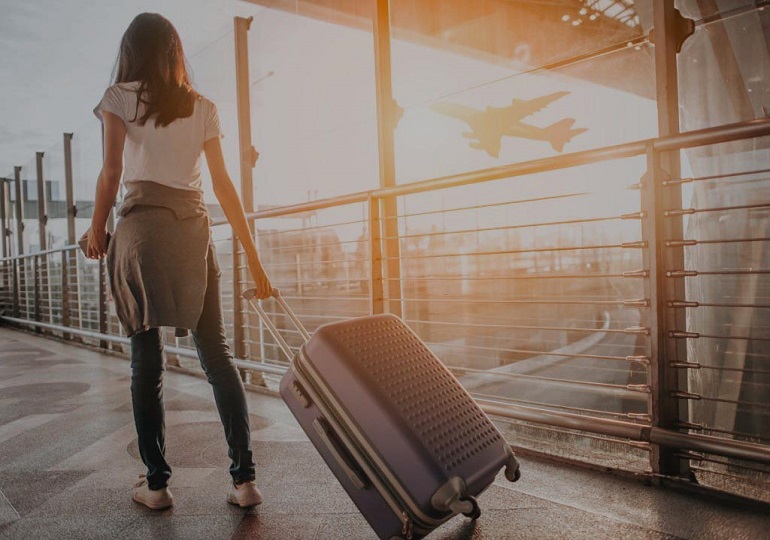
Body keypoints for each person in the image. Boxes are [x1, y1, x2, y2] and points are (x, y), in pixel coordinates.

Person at [84, 12, 272, 511]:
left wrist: (98, 226)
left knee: (147, 365)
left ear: (131, 51)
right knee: (217, 356)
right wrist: (254, 260)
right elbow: (224, 187)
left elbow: (111, 172)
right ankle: (245, 481)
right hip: (193, 235)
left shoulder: (119, 98)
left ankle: (157, 484)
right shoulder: (205, 108)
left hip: (143, 234)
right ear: (175, 52)